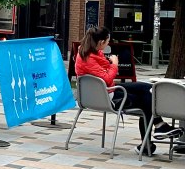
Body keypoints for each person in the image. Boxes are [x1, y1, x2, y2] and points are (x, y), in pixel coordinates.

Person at [75, 26, 182, 155]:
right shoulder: (90, 58)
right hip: (107, 96)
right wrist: (114, 64)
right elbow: (107, 79)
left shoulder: (90, 53)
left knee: (147, 88)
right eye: (108, 41)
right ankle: (156, 130)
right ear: (101, 42)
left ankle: (156, 132)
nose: (108, 44)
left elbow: (103, 74)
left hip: (103, 92)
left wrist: (108, 64)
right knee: (146, 101)